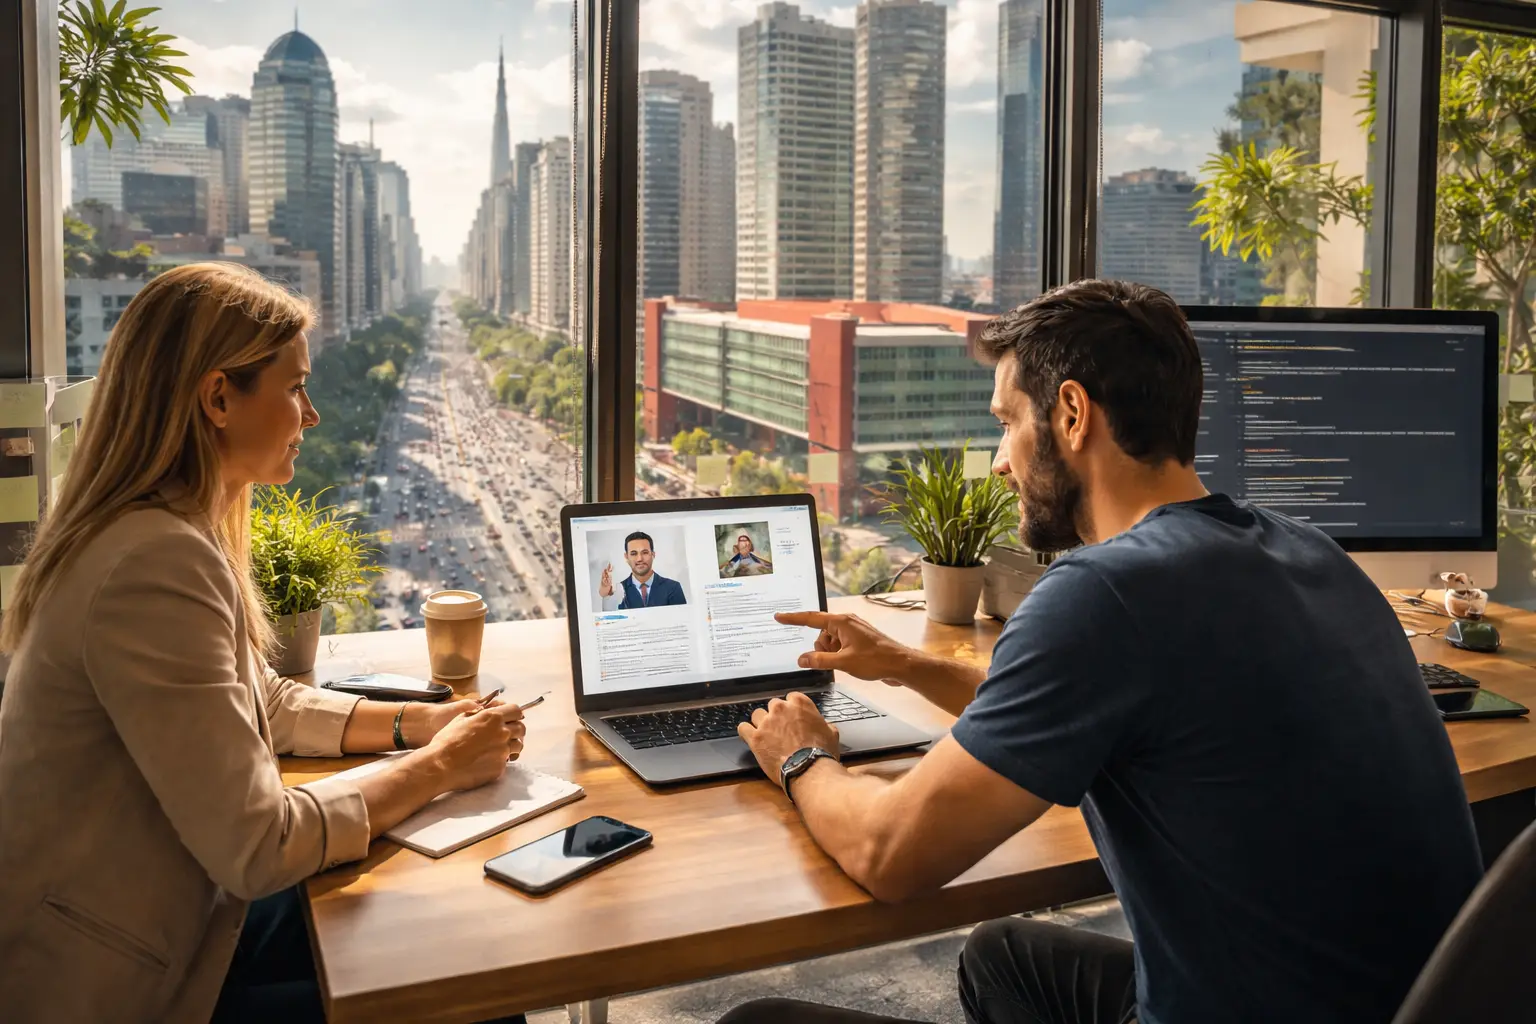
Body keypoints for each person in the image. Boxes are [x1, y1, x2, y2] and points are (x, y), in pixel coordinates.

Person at [720, 280, 1484, 1024]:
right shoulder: (1307, 550)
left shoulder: (1108, 592)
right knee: (1001, 956)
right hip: (1409, 1003)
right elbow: (1104, 708)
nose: (1000, 460)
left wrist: (802, 755)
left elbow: (889, 854)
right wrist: (907, 665)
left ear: (1073, 413)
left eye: (1007, 422)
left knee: (756, 1022)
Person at [0, 263, 528, 1024]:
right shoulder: (151, 563)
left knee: (450, 936)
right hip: (129, 982)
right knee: (476, 989)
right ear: (218, 398)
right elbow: (260, 844)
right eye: (295, 388)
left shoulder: (166, 530)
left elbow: (264, 701)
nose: (311, 414)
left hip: (191, 912)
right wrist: (440, 766)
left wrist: (424, 722)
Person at [598, 531, 687, 608]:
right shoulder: (617, 592)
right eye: (633, 554)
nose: (639, 559)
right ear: (626, 557)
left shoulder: (673, 588)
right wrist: (607, 597)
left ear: (653, 555)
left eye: (644, 552)